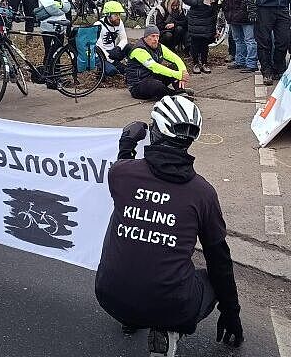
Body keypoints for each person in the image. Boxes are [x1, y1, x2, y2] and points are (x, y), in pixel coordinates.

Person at [96, 95, 243, 357]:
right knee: (211, 277)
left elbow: (124, 163)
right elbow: (219, 259)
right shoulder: (202, 193)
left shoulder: (121, 174)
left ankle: (131, 319)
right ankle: (166, 330)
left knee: (128, 230)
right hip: (170, 306)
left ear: (154, 131)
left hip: (109, 295)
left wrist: (127, 141)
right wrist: (231, 312)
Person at [126, 25, 193, 101]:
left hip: (151, 78)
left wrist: (183, 73)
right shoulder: (138, 50)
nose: (156, 39)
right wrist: (177, 75)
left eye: (157, 36)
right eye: (153, 36)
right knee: (156, 85)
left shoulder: (159, 46)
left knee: (175, 67)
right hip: (138, 85)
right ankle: (174, 94)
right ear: (146, 37)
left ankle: (181, 91)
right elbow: (154, 67)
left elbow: (176, 58)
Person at [182, 0, 220, 74]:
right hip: (196, 15)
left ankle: (204, 62)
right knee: (195, 41)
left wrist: (215, 0)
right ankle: (195, 63)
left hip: (209, 14)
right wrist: (196, 2)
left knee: (205, 41)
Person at [37, 0, 72, 67]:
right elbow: (52, 10)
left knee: (58, 53)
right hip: (49, 27)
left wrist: (60, 8)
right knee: (49, 52)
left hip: (60, 26)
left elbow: (67, 6)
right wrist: (62, 9)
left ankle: (56, 73)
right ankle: (48, 73)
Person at [95, 1, 130, 76]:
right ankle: (100, 70)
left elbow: (124, 39)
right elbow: (99, 48)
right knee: (112, 71)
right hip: (101, 55)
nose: (119, 17)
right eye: (116, 15)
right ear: (108, 15)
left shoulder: (119, 23)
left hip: (113, 51)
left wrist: (118, 48)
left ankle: (133, 67)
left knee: (129, 47)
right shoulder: (98, 26)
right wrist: (115, 63)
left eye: (119, 14)